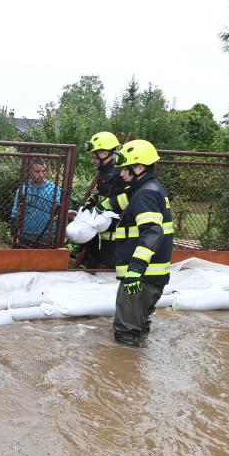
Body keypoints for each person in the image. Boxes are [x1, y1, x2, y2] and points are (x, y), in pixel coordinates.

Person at [110, 139, 174, 347]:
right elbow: (125, 201)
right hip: (152, 276)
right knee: (140, 327)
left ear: (139, 167)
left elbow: (151, 233)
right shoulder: (149, 188)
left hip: (141, 278)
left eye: (124, 169)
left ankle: (124, 376)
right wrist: (101, 205)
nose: (121, 174)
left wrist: (135, 270)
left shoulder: (145, 194)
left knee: (126, 335)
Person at [77, 131, 127, 268]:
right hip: (100, 236)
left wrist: (109, 203)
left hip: (114, 242)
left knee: (104, 276)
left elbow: (131, 197)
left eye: (95, 157)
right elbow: (103, 193)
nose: (93, 160)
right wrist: (92, 200)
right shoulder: (105, 171)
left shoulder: (121, 173)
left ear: (105, 154)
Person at [11, 157, 62, 248]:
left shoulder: (54, 190)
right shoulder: (23, 189)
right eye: (37, 171)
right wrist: (14, 235)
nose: (41, 175)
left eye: (44, 171)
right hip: (24, 235)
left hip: (46, 237)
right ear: (30, 171)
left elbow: (60, 212)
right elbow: (15, 213)